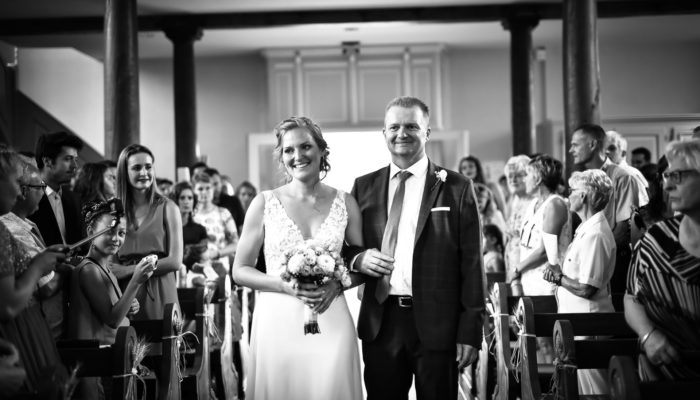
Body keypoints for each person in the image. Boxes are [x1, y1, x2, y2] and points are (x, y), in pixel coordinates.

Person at [351, 96, 484, 400]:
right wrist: (359, 259)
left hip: (439, 324)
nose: (402, 133)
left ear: (427, 132)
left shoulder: (457, 187)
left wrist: (470, 331)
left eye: (411, 126)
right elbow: (346, 247)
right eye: (394, 127)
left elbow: (473, 264)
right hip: (381, 322)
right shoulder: (363, 186)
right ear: (384, 133)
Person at [232, 116, 364, 400]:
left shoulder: (346, 203)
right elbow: (240, 270)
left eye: (305, 146)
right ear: (281, 157)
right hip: (277, 322)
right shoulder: (264, 203)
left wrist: (338, 284)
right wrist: (282, 285)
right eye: (288, 150)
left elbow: (359, 264)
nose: (297, 156)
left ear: (321, 150)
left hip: (332, 317)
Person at [624, 139, 700, 382]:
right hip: (661, 375)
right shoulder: (656, 238)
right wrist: (648, 334)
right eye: (666, 176)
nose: (667, 186)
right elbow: (631, 297)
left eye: (677, 176)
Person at [68, 200, 155, 399]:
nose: (116, 239)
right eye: (109, 231)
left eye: (121, 233)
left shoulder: (106, 270)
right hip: (96, 364)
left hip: (113, 360)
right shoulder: (89, 270)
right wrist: (135, 281)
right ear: (91, 231)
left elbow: (116, 310)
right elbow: (112, 319)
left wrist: (128, 304)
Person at [0, 149, 69, 395]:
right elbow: (7, 306)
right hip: (19, 327)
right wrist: (39, 266)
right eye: (16, 182)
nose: (20, 192)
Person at [544, 170, 616, 395]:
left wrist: (558, 277)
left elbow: (587, 288)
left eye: (572, 191)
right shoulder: (586, 228)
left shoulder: (595, 234)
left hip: (589, 323)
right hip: (578, 321)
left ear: (583, 196)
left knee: (595, 390)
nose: (568, 196)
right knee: (582, 389)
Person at [570, 124, 646, 294]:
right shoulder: (582, 179)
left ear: (592, 144)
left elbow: (624, 229)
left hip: (612, 263)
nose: (571, 150)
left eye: (575, 145)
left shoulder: (622, 177)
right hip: (586, 262)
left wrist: (594, 258)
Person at [109, 144, 182, 320]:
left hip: (161, 290)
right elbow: (112, 267)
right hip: (127, 293)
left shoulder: (168, 207)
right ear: (124, 172)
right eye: (136, 168)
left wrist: (131, 270)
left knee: (162, 336)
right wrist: (123, 274)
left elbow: (174, 261)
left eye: (148, 167)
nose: (144, 173)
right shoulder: (113, 210)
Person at [514, 154, 571, 296]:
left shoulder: (555, 204)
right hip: (529, 281)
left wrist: (516, 269)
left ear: (538, 178)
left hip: (546, 284)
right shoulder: (533, 203)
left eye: (527, 175)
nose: (524, 179)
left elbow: (545, 251)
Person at [28, 131, 85, 247]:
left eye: (75, 159)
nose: (75, 166)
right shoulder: (27, 197)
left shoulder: (74, 199)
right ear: (47, 162)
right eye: (68, 159)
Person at [192, 172, 238, 272]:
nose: (204, 192)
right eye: (200, 189)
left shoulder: (223, 213)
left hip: (220, 269)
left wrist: (217, 253)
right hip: (195, 269)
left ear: (213, 189)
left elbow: (235, 244)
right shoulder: (190, 215)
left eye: (208, 188)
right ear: (194, 191)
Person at [503, 155, 533, 296]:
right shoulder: (514, 201)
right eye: (510, 176)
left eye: (518, 175)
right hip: (512, 262)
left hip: (527, 266)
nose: (513, 180)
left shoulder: (534, 202)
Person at [172, 181, 208, 285]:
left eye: (190, 198)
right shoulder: (166, 228)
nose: (186, 202)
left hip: (194, 278)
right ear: (176, 200)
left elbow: (204, 258)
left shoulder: (200, 229)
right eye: (182, 198)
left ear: (194, 201)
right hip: (171, 277)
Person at [606, 131, 650, 205]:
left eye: (612, 148)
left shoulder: (631, 174)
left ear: (623, 153)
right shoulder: (603, 174)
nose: (606, 152)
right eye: (603, 148)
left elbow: (642, 205)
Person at [205, 167, 245, 234]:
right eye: (210, 185)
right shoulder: (201, 205)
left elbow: (241, 226)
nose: (214, 188)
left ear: (221, 183)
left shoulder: (233, 201)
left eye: (216, 184)